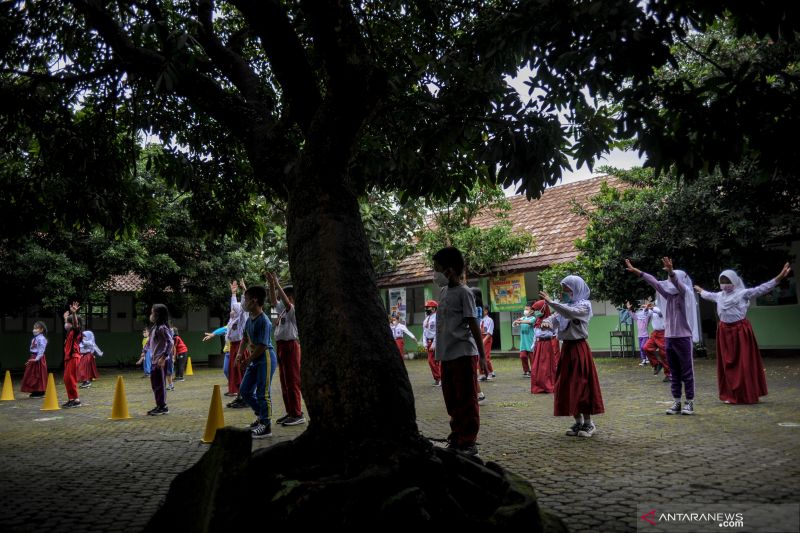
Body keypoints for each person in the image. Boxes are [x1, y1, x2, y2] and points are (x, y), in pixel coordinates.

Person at [695, 263, 792, 404]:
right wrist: (699, 289)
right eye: (722, 282)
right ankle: (731, 394)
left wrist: (779, 277)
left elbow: (762, 288)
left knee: (743, 364)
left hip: (739, 332)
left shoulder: (743, 293)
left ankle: (746, 393)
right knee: (727, 365)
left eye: (727, 281)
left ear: (734, 281)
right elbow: (707, 295)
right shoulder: (719, 296)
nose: (724, 284)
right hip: (724, 332)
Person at [626, 257, 700, 415]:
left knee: (687, 371)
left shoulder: (684, 294)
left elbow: (678, 285)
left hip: (683, 338)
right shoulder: (669, 297)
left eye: (672, 279)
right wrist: (637, 272)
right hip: (669, 338)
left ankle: (689, 402)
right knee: (674, 371)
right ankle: (677, 402)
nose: (669, 282)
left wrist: (672, 272)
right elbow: (654, 282)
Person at [432, 246, 487, 456]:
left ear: (450, 271)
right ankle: (456, 436)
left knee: (467, 399)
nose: (434, 273)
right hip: (446, 355)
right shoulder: (444, 292)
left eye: (437, 268)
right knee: (451, 399)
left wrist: (482, 356)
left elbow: (473, 325)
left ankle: (468, 441)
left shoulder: (465, 293)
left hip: (463, 353)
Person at [539, 276, 604, 437]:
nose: (564, 292)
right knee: (566, 385)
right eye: (564, 289)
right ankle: (578, 421)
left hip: (579, 349)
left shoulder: (584, 306)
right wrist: (546, 323)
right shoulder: (563, 307)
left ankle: (589, 423)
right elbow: (553, 319)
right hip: (566, 349)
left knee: (582, 385)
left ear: (576, 289)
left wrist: (551, 302)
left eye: (567, 289)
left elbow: (571, 313)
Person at [236, 285, 278, 439]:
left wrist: (247, 360)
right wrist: (240, 354)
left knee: (262, 392)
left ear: (254, 301)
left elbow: (262, 345)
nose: (244, 302)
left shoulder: (264, 321)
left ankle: (266, 425)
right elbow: (245, 338)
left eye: (245, 299)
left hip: (265, 358)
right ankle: (261, 416)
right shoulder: (249, 320)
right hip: (254, 358)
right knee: (245, 390)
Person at [267, 271, 305, 426]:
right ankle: (290, 412)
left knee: (293, 381)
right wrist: (271, 285)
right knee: (284, 381)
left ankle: (297, 414)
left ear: (291, 298)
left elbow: (285, 303)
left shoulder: (292, 310)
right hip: (281, 346)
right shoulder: (279, 311)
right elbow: (273, 303)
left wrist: (277, 284)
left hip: (291, 346)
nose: (283, 298)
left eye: (286, 296)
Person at [146, 304, 174, 416]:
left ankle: (163, 407)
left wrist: (163, 357)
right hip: (154, 360)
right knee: (155, 384)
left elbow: (170, 342)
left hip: (160, 361)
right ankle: (159, 405)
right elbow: (149, 342)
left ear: (157, 314)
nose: (151, 314)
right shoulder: (154, 328)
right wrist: (144, 352)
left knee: (160, 385)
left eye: (152, 312)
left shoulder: (162, 328)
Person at [226, 280, 249, 407]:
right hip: (233, 347)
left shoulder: (242, 318)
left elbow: (243, 307)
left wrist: (244, 291)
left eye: (234, 309)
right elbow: (234, 305)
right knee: (235, 373)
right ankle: (240, 397)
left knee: (241, 373)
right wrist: (233, 294)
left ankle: (244, 398)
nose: (232, 310)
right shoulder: (232, 320)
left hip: (240, 347)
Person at [530, 299, 559, 394]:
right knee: (536, 367)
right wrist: (533, 344)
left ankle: (547, 385)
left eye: (537, 309)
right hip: (538, 346)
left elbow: (554, 333)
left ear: (543, 309)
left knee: (546, 367)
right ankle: (538, 386)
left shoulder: (550, 320)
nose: (536, 312)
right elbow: (535, 334)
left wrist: (548, 326)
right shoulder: (537, 321)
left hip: (546, 345)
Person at [642, 303, 671, 382]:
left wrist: (651, 308)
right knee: (646, 348)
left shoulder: (663, 307)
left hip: (663, 333)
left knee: (664, 354)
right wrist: (646, 309)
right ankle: (657, 364)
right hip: (655, 333)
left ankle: (669, 374)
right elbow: (646, 314)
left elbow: (660, 313)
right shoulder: (653, 309)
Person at [62, 302, 83, 408]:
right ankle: (71, 399)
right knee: (66, 379)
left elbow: (74, 324)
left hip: (74, 357)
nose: (67, 324)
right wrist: (66, 318)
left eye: (68, 323)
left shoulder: (76, 331)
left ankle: (77, 400)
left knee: (70, 378)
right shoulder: (69, 331)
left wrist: (74, 314)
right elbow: (69, 324)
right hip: (69, 358)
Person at [21, 321, 48, 398]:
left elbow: (41, 350)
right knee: (31, 374)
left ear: (41, 329)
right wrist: (31, 359)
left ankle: (40, 391)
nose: (34, 330)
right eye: (34, 328)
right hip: (34, 357)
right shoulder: (35, 338)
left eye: (36, 328)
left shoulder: (41, 339)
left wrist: (37, 359)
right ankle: (35, 390)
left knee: (38, 374)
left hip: (38, 358)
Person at [513, 303, 536, 377]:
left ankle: (534, 371)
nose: (525, 311)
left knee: (532, 358)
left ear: (532, 311)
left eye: (527, 309)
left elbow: (529, 322)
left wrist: (520, 321)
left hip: (530, 342)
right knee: (523, 356)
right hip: (523, 343)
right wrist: (516, 322)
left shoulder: (533, 318)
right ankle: (526, 371)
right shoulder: (523, 318)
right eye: (525, 309)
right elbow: (515, 324)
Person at [627, 300, 653, 366]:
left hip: (645, 336)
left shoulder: (646, 318)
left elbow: (647, 311)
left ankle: (646, 358)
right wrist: (629, 309)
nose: (640, 312)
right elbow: (632, 315)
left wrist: (646, 306)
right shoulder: (637, 319)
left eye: (642, 311)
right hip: (640, 336)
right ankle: (644, 360)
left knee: (643, 347)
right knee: (641, 348)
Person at [422, 300, 441, 386]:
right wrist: (425, 344)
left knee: (436, 361)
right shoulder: (426, 320)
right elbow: (424, 332)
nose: (426, 309)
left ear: (434, 308)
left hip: (435, 342)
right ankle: (437, 379)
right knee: (431, 361)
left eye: (428, 307)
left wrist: (434, 344)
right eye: (426, 308)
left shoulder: (437, 318)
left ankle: (440, 379)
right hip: (429, 342)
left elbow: (438, 331)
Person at [478, 307, 495, 381]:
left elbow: (489, 332)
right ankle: (482, 373)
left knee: (486, 357)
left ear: (486, 311)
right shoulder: (481, 320)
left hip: (487, 338)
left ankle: (490, 372)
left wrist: (483, 340)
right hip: (481, 337)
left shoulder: (490, 320)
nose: (481, 312)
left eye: (483, 310)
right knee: (479, 357)